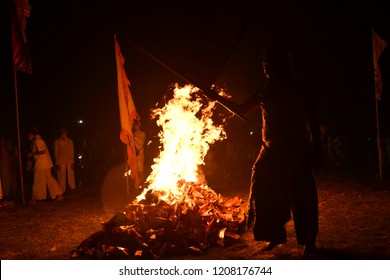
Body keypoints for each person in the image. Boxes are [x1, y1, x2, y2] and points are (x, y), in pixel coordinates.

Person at [231, 45, 323, 256]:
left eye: (268, 67)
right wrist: (215, 97)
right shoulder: (265, 90)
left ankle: (309, 242)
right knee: (263, 187)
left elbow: (313, 120)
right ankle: (275, 234)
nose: (265, 71)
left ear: (280, 67)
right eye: (264, 67)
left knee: (302, 195)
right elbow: (242, 110)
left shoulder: (299, 88)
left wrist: (317, 148)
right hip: (271, 150)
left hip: (295, 148)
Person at [27, 129, 64, 203]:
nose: (28, 137)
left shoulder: (38, 141)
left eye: (29, 135)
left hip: (42, 164)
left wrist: (32, 154)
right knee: (48, 179)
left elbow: (43, 151)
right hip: (43, 164)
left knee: (38, 180)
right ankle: (59, 195)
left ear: (32, 135)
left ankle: (34, 198)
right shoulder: (37, 141)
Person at [54, 128, 76, 193]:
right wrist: (57, 162)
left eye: (65, 132)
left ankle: (72, 188)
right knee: (61, 175)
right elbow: (56, 152)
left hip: (69, 159)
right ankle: (61, 189)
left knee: (71, 174)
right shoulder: (57, 141)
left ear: (66, 133)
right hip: (61, 160)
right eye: (62, 132)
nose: (63, 133)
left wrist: (73, 161)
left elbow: (72, 151)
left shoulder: (70, 141)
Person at [133, 120, 146, 187]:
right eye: (134, 125)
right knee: (135, 170)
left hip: (139, 153)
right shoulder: (132, 134)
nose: (135, 127)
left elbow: (140, 142)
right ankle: (138, 184)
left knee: (140, 170)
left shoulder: (142, 133)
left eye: (136, 125)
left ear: (139, 126)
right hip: (133, 154)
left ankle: (143, 183)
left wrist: (133, 137)